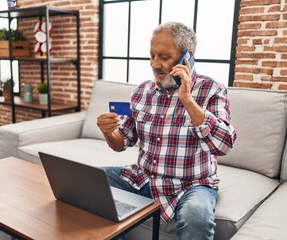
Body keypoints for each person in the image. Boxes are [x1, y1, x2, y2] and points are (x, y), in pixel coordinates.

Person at [96, 22, 237, 240]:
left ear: (186, 57)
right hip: (142, 178)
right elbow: (121, 142)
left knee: (196, 217)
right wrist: (109, 132)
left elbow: (224, 145)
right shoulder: (142, 91)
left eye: (163, 57)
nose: (154, 64)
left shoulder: (212, 90)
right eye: (151, 56)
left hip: (193, 184)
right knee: (93, 182)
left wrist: (188, 99)